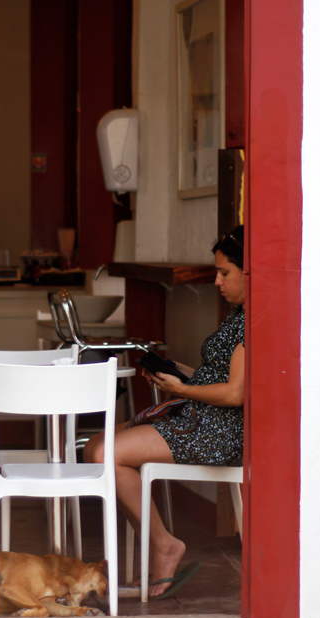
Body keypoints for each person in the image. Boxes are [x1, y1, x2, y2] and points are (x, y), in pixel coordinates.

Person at [83, 225, 245, 598]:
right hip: (200, 416)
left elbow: (236, 393)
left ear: (249, 271)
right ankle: (157, 542)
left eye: (225, 273)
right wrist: (178, 373)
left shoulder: (250, 322)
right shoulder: (238, 316)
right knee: (95, 446)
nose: (218, 282)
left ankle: (163, 545)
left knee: (107, 453)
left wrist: (183, 389)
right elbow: (218, 378)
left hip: (218, 430)